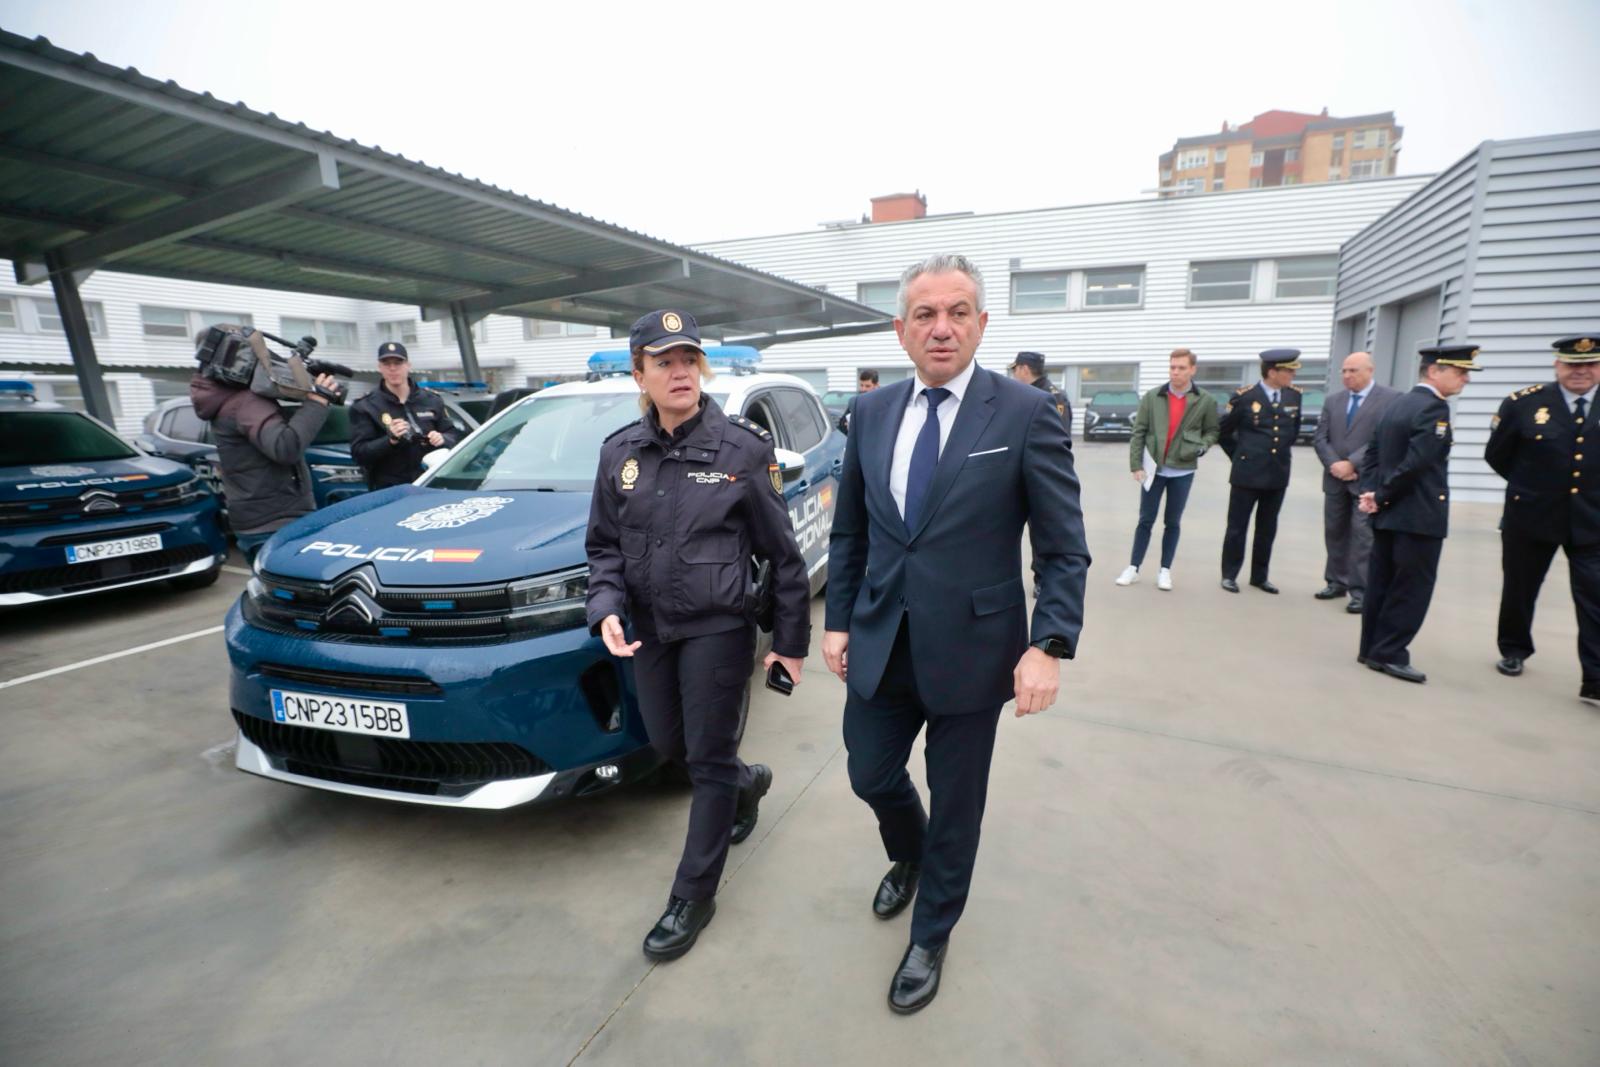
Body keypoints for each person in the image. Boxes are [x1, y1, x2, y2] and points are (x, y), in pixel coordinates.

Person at [822, 254, 1089, 1014]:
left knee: (958, 804)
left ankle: (931, 934)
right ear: (901, 329)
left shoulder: (1025, 413)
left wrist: (1051, 641)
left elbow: (1063, 545)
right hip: (882, 639)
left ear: (981, 323)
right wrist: (838, 620)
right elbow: (849, 534)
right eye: (926, 314)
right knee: (870, 774)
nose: (943, 327)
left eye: (959, 311)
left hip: (976, 649)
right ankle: (910, 851)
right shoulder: (871, 413)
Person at [585, 309, 810, 963]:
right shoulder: (619, 452)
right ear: (641, 372)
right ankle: (749, 781)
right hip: (651, 629)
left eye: (688, 359)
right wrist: (605, 605)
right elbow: (603, 546)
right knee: (669, 743)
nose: (680, 371)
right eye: (664, 361)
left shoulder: (742, 450)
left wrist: (788, 644)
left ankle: (692, 894)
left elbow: (783, 556)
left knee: (705, 760)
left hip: (718, 625)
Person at [1485, 333, 1600, 706]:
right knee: (1520, 587)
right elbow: (1498, 455)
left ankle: (1595, 678)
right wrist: (1532, 486)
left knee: (1595, 598)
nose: (1580, 372)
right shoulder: (1525, 403)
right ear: (1557, 364)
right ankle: (1514, 649)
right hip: (1531, 514)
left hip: (1593, 521)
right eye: (1572, 364)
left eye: (1589, 365)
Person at [1356, 343, 1479, 684]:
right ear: (1434, 371)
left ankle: (1371, 648)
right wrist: (1378, 494)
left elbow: (1373, 454)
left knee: (1381, 582)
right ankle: (1390, 653)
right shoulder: (1433, 409)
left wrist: (1372, 492)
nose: (1465, 379)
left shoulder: (1397, 404)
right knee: (1410, 588)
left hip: (1389, 511)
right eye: (1459, 372)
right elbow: (1417, 464)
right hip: (1417, 514)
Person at [188, 331, 339, 562]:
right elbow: (285, 446)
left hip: (259, 519)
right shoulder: (245, 402)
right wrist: (317, 402)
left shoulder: (230, 399)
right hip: (274, 521)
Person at [1115, 348, 1219, 591]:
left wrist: (1202, 447)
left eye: (1181, 368)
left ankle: (1165, 570)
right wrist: (1136, 465)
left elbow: (1212, 431)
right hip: (1154, 470)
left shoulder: (1205, 400)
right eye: (1172, 367)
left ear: (1193, 369)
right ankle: (1133, 567)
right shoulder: (1153, 397)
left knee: (1172, 522)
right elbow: (1138, 432)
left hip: (1182, 472)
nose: (1175, 372)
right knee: (1145, 520)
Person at [1312, 351, 1398, 614]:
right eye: (1344, 371)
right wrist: (1335, 465)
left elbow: (1383, 437)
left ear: (1370, 371)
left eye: (1353, 371)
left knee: (1363, 537)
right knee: (1335, 531)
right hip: (1335, 478)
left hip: (1365, 479)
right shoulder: (1333, 400)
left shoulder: (1390, 399)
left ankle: (1360, 591)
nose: (1347, 376)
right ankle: (1336, 581)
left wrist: (1352, 463)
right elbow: (1320, 438)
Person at [1218, 349, 1303, 593]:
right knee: (1237, 527)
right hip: (1247, 474)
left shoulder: (1294, 396)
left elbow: (1292, 431)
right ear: (1272, 372)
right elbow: (1223, 431)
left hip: (1277, 474)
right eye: (1288, 370)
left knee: (1267, 528)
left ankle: (1259, 576)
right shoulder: (1244, 397)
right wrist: (1239, 456)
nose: (1293, 374)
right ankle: (1229, 574)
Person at [348, 342, 462, 490]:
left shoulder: (431, 399)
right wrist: (390, 440)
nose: (393, 368)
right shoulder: (366, 406)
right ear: (380, 367)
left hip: (430, 484)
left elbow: (454, 435)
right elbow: (359, 454)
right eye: (387, 364)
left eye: (398, 363)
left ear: (408, 365)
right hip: (390, 489)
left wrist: (443, 439)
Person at [1008, 351, 1073, 443]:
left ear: (1025, 370)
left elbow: (1060, 436)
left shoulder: (1054, 397)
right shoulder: (1024, 393)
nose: (1014, 375)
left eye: (1015, 370)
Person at [838, 368, 880, 434]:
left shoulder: (883, 403)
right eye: (861, 385)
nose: (863, 389)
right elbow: (842, 425)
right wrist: (848, 427)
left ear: (876, 386)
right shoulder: (856, 402)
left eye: (867, 386)